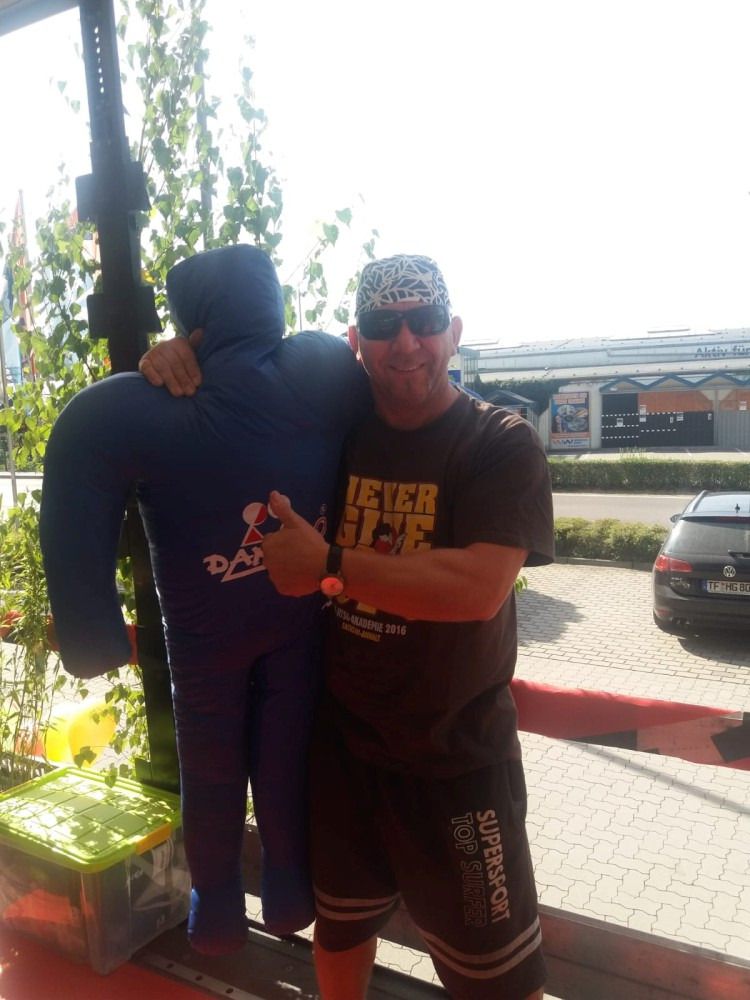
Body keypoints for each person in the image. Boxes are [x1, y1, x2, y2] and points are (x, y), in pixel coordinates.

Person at [141, 253, 554, 998]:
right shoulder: (331, 424)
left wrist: (329, 564)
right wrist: (178, 354)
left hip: (457, 765)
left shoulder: (498, 442)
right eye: (383, 326)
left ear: (454, 332)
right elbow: (243, 388)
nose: (407, 342)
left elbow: (479, 589)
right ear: (354, 341)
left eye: (425, 321)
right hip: (342, 755)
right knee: (339, 935)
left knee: (497, 979)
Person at [40, 245, 370, 955]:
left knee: (210, 763)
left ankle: (216, 906)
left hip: (207, 635)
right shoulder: (324, 368)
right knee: (284, 751)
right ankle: (287, 888)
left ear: (190, 319)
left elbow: (76, 458)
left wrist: (92, 634)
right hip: (293, 619)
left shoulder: (138, 406)